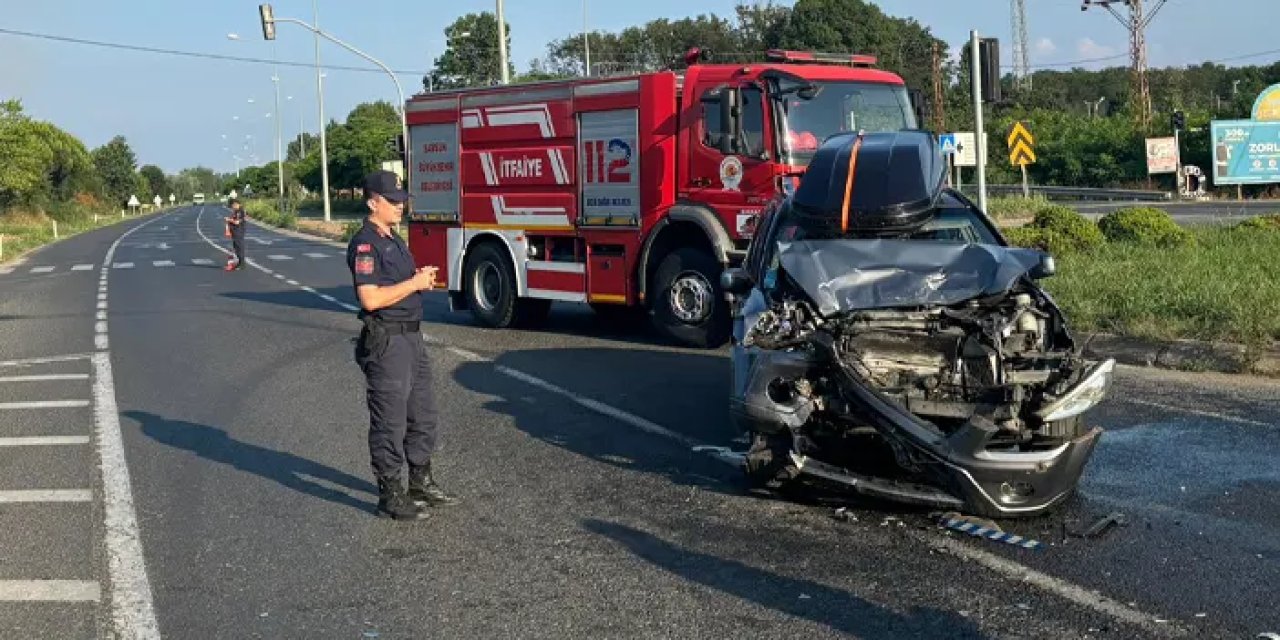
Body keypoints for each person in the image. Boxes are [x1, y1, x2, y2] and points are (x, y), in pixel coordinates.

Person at [346, 169, 459, 520]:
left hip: (411, 337)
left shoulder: (393, 238)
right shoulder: (366, 243)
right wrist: (414, 283)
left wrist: (417, 280)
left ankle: (420, 481)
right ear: (372, 202)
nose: (400, 206)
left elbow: (398, 284)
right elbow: (370, 299)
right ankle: (390, 493)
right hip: (388, 341)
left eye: (402, 201)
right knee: (390, 421)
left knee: (422, 414)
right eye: (392, 202)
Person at [223, 199, 246, 271]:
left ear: (237, 204)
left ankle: (242, 264)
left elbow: (237, 222)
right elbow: (233, 220)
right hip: (234, 232)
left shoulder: (241, 212)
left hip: (238, 232)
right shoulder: (235, 212)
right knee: (236, 247)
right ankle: (238, 263)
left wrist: (229, 220)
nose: (232, 206)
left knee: (239, 248)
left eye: (233, 205)